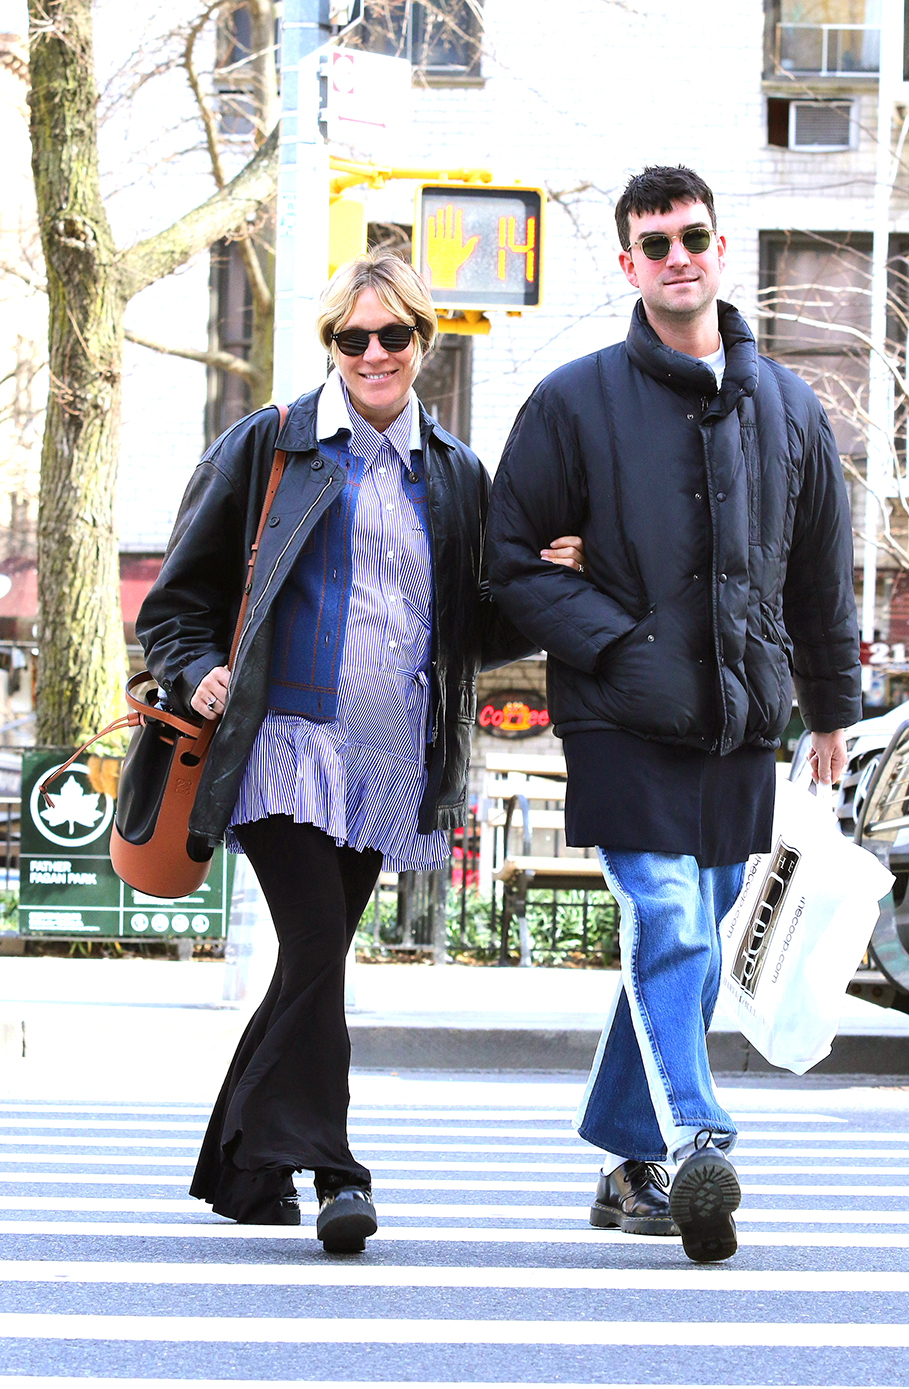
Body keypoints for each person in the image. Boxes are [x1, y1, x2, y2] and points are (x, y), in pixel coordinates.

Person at [136, 249, 583, 1252]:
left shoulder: (456, 474)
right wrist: (196, 668)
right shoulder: (275, 446)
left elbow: (471, 628)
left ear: (423, 341)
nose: (372, 353)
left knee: (315, 963)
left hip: (387, 759)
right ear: (331, 345)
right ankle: (338, 1173)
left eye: (392, 334)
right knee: (313, 954)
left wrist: (552, 587)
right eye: (352, 337)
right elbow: (179, 600)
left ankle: (243, 1166)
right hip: (281, 745)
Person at [485, 166, 860, 1264]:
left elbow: (818, 581)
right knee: (669, 921)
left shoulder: (790, 408)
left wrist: (828, 714)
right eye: (655, 244)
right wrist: (614, 635)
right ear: (628, 266)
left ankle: (624, 1156)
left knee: (685, 943)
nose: (678, 255)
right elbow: (509, 566)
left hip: (741, 723)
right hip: (618, 715)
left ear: (720, 245)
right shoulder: (571, 401)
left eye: (693, 235)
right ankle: (701, 1136)